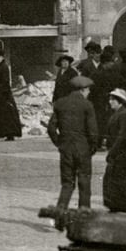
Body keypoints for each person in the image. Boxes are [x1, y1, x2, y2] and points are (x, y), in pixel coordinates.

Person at [45, 75, 100, 225]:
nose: (88, 92)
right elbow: (93, 130)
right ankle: (83, 219)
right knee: (84, 182)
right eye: (88, 90)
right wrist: (93, 146)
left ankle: (58, 217)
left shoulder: (60, 103)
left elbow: (51, 128)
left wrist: (59, 143)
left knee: (67, 184)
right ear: (83, 90)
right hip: (83, 149)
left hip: (66, 149)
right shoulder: (87, 105)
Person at [0, 46, 22, 141]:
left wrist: (3, 93)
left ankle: (9, 133)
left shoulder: (4, 67)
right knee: (1, 114)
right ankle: (3, 132)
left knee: (7, 114)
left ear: (2, 58)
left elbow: (5, 82)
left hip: (4, 94)